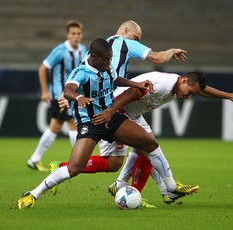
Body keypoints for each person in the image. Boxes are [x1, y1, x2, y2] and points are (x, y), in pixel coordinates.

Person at [17, 38, 199, 209]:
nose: (108, 63)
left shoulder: (107, 66)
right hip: (90, 123)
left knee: (149, 143)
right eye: (105, 59)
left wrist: (135, 84)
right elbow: (68, 90)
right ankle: (34, 193)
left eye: (110, 59)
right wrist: (79, 97)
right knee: (74, 168)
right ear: (93, 57)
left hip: (111, 118)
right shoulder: (80, 72)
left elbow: (116, 79)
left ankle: (171, 187)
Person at [54, 69, 233, 206]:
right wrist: (111, 112)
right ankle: (162, 189)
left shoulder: (179, 84)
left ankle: (142, 189)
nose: (189, 97)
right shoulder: (163, 84)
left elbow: (202, 89)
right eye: (190, 92)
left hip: (132, 113)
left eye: (193, 94)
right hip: (117, 110)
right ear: (184, 80)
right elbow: (131, 93)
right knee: (135, 152)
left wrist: (228, 96)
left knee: (139, 150)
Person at [27, 20, 87, 172]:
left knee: (55, 126)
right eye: (73, 34)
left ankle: (34, 159)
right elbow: (42, 68)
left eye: (78, 33)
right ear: (67, 35)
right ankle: (79, 161)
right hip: (60, 96)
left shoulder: (83, 49)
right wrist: (45, 92)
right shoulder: (60, 51)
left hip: (73, 95)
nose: (76, 36)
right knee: (74, 124)